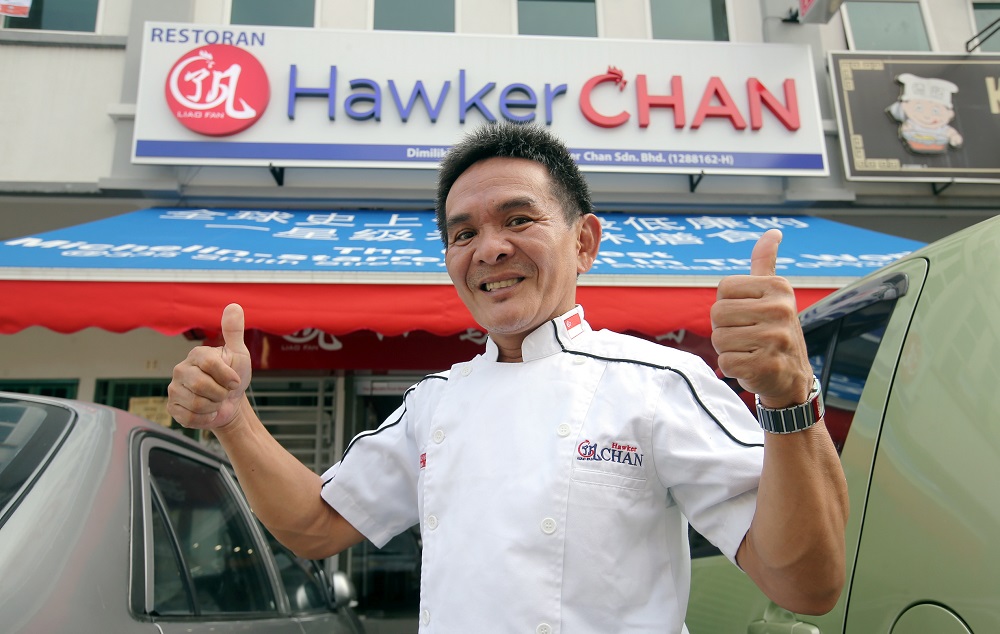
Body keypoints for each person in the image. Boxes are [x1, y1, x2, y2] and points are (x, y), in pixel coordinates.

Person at [167, 121, 848, 633]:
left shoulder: (659, 380)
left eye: (518, 219)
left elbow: (806, 584)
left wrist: (790, 397)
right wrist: (235, 418)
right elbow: (315, 527)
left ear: (584, 243)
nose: (489, 247)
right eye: (463, 234)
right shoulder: (436, 402)